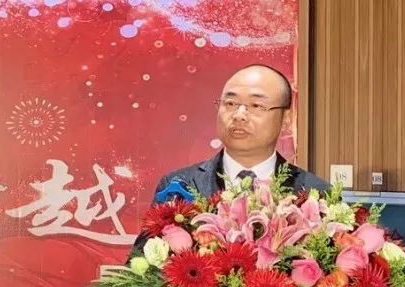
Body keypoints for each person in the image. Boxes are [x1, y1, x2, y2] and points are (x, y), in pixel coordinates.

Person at [129, 64, 330, 258]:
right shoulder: (180, 187)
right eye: (230, 103)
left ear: (287, 118)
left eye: (256, 105)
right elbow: (135, 273)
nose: (239, 115)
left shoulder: (316, 194)